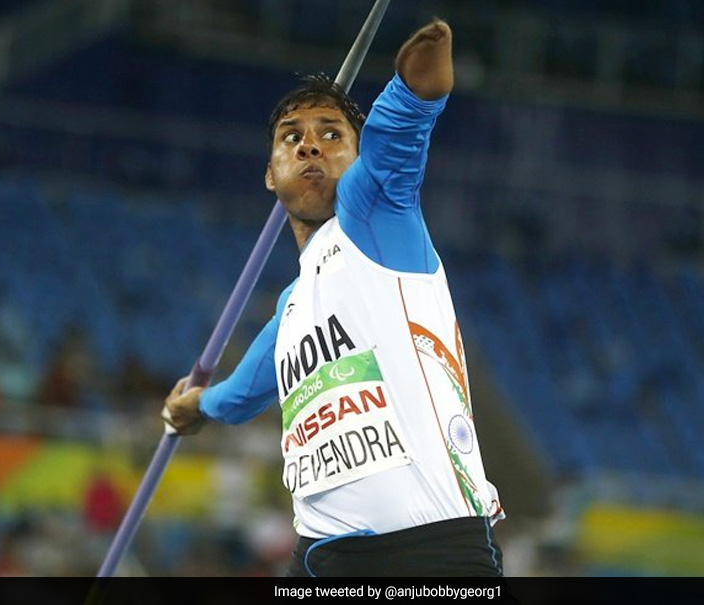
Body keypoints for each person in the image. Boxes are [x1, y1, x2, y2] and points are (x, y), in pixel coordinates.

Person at [163, 19, 504, 577]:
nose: (310, 145)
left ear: (354, 161)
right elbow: (242, 394)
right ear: (271, 175)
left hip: (428, 557)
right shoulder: (293, 307)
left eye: (331, 133)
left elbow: (403, 128)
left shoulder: (376, 213)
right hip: (321, 560)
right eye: (291, 136)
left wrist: (415, 87)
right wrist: (192, 407)